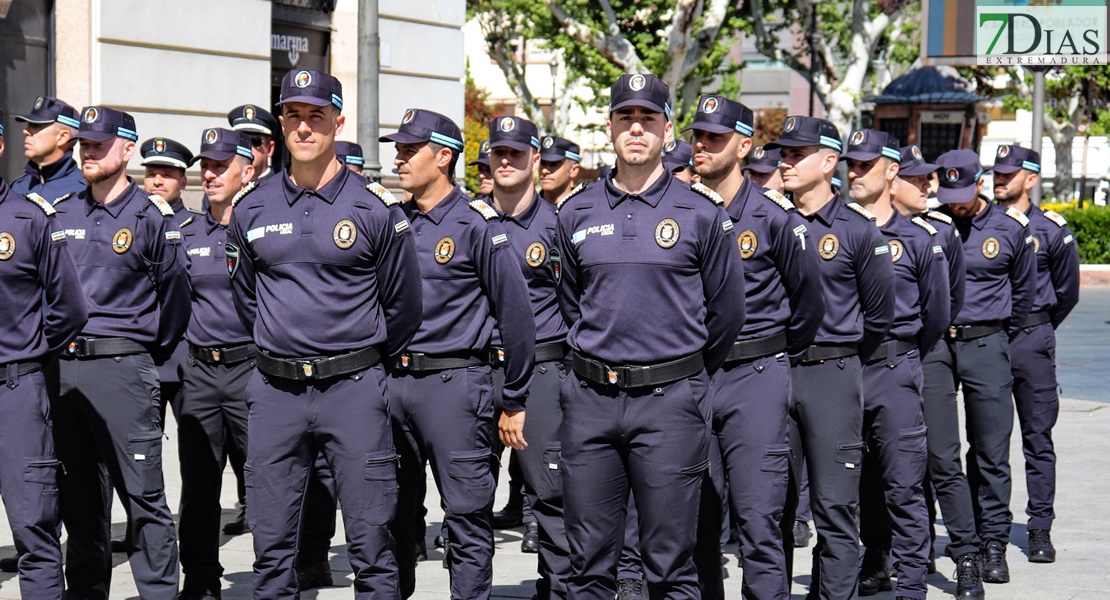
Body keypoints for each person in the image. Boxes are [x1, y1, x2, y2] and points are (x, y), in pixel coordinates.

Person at [227, 68, 421, 598]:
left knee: (372, 545)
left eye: (317, 116)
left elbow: (403, 306)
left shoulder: (375, 208)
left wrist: (360, 359)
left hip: (353, 390)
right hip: (275, 393)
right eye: (293, 115)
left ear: (338, 120)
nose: (304, 127)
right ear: (281, 122)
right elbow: (246, 298)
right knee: (270, 548)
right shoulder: (250, 209)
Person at [555, 73, 746, 599]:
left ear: (667, 130)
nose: (635, 129)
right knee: (588, 566)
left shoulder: (702, 214)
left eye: (648, 119)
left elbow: (726, 314)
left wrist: (679, 371)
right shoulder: (575, 211)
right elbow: (573, 302)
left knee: (669, 565)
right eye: (625, 118)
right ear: (610, 126)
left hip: (669, 404)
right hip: (591, 400)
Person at [382, 107, 535, 599]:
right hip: (394, 386)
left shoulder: (477, 224)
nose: (400, 159)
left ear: (443, 157)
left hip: (455, 386)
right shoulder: (390, 221)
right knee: (392, 514)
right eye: (398, 149)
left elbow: (516, 317)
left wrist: (514, 398)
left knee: (466, 518)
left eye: (410, 150)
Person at [687, 95, 824, 600]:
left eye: (715, 138)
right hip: (693, 376)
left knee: (758, 518)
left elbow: (808, 305)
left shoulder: (775, 218)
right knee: (695, 520)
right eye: (698, 135)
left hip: (755, 375)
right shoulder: (681, 212)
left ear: (744, 146)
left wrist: (770, 357)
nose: (702, 145)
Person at [50, 105, 189, 600]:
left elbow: (175, 300)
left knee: (144, 497)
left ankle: (157, 592)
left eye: (100, 144)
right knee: (78, 499)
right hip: (64, 369)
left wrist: (141, 355)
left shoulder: (150, 216)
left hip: (124, 368)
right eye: (84, 143)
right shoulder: (60, 212)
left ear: (127, 149)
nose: (89, 151)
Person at [767, 116, 895, 600]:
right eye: (784, 153)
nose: (786, 161)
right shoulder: (772, 220)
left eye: (797, 154)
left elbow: (879, 314)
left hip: (833, 375)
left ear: (827, 162)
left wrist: (840, 358)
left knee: (835, 509)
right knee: (771, 509)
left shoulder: (857, 230)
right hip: (774, 373)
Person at [845, 130, 949, 600]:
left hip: (894, 367)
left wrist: (899, 355)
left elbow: (937, 316)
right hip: (844, 372)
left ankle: (911, 585)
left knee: (903, 482)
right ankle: (871, 563)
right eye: (850, 163)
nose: (853, 172)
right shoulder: (838, 229)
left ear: (890, 171)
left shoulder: (920, 239)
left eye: (865, 165)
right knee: (852, 483)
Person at [935, 148, 1036, 586]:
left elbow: (1025, 294)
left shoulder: (1009, 228)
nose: (956, 204)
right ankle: (959, 542)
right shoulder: (933, 225)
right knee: (938, 451)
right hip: (937, 346)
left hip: (986, 342)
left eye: (964, 193)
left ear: (980, 183)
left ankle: (993, 539)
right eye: (948, 193)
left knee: (992, 449)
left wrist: (996, 337)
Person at [0, 110, 88, 600]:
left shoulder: (27, 217)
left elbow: (70, 306)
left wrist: (28, 347)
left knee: (34, 530)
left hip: (15, 388)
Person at [487, 115, 573, 599]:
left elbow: (575, 303)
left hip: (542, 369)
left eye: (516, 153)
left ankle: (556, 589)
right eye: (498, 153)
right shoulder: (472, 221)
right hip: (481, 369)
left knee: (551, 492)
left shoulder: (558, 226)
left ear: (535, 159)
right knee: (470, 495)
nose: (505, 161)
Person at [893, 144, 985, 599]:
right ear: (891, 180)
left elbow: (947, 304)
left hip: (927, 356)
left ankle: (966, 556)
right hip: (872, 360)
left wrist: (922, 346)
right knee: (883, 464)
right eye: (917, 177)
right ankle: (895, 553)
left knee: (943, 460)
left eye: (928, 177)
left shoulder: (940, 232)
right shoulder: (857, 227)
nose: (929, 185)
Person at [174, 127, 257, 600]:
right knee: (200, 486)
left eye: (220, 165)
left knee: (265, 484)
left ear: (246, 170)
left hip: (252, 368)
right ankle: (201, 580)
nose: (209, 174)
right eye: (205, 165)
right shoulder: (187, 232)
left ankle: (273, 576)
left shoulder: (260, 226)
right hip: (201, 373)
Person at [990, 144, 1080, 563]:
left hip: (1032, 339)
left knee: (1037, 439)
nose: (999, 179)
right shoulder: (982, 225)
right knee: (987, 441)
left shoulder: (1052, 229)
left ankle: (1039, 528)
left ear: (1031, 178)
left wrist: (1038, 327)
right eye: (996, 173)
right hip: (989, 342)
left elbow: (1067, 293)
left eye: (1009, 174)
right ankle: (986, 529)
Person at [140, 136, 202, 427]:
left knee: (195, 454)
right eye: (151, 174)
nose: (157, 182)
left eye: (166, 175)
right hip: (139, 354)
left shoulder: (198, 226)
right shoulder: (131, 224)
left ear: (183, 182)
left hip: (183, 357)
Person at [11, 96, 85, 201]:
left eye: (36, 126)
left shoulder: (85, 192)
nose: (26, 131)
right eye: (29, 125)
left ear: (62, 137)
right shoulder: (18, 187)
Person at [228, 103, 279, 180]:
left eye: (255, 140)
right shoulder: (227, 186)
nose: (247, 146)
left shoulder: (280, 188)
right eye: (240, 139)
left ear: (269, 149)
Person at [539, 135, 581, 204]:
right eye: (542, 163)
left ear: (573, 170)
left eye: (554, 164)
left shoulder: (585, 212)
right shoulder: (528, 209)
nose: (544, 171)